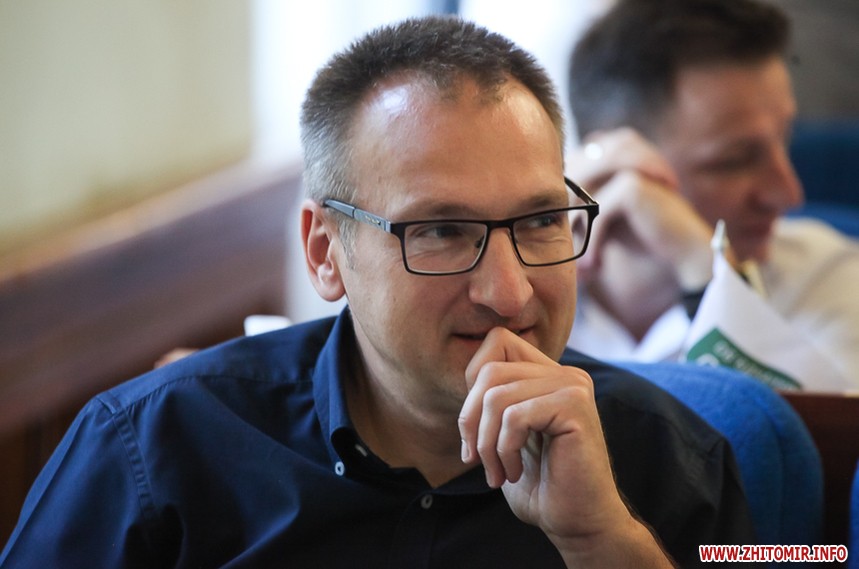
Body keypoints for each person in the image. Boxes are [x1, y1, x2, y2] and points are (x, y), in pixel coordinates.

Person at [0, 16, 755, 568]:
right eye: (441, 231)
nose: (507, 292)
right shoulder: (151, 451)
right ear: (325, 253)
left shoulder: (673, 461)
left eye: (539, 222)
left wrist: (601, 543)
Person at [564, 0, 859, 387]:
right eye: (735, 160)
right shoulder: (520, 292)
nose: (788, 194)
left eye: (785, 140)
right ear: (616, 161)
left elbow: (781, 426)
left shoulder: (827, 276)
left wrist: (708, 270)